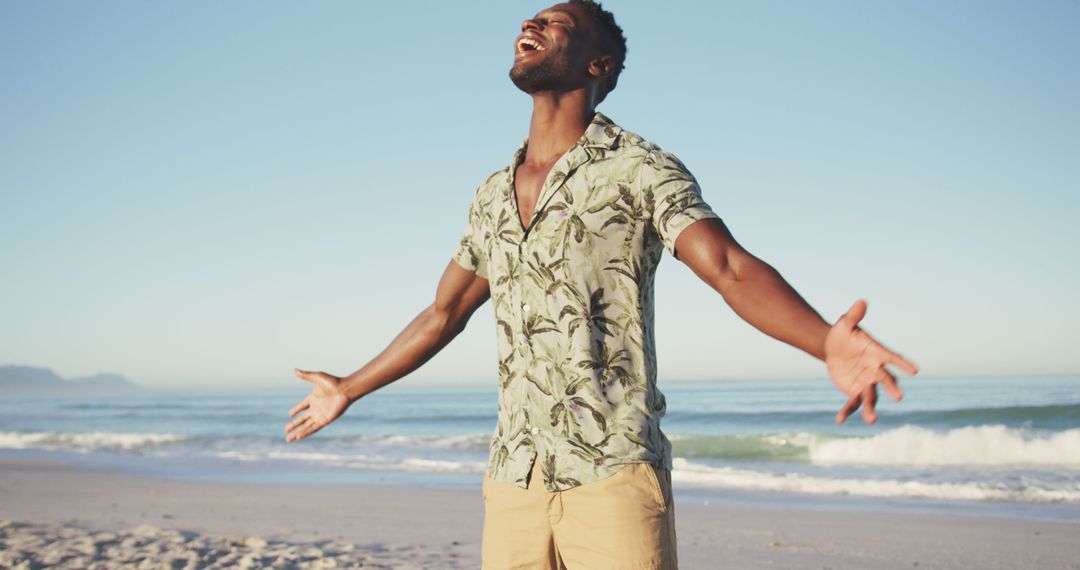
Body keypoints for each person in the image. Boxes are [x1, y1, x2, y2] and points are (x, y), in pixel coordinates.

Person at [284, 1, 919, 568]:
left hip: (612, 474)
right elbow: (443, 313)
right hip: (514, 479)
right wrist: (347, 387)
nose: (530, 24)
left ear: (598, 65)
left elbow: (727, 266)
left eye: (556, 22)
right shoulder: (490, 196)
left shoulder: (640, 167)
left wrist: (823, 342)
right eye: (529, 18)